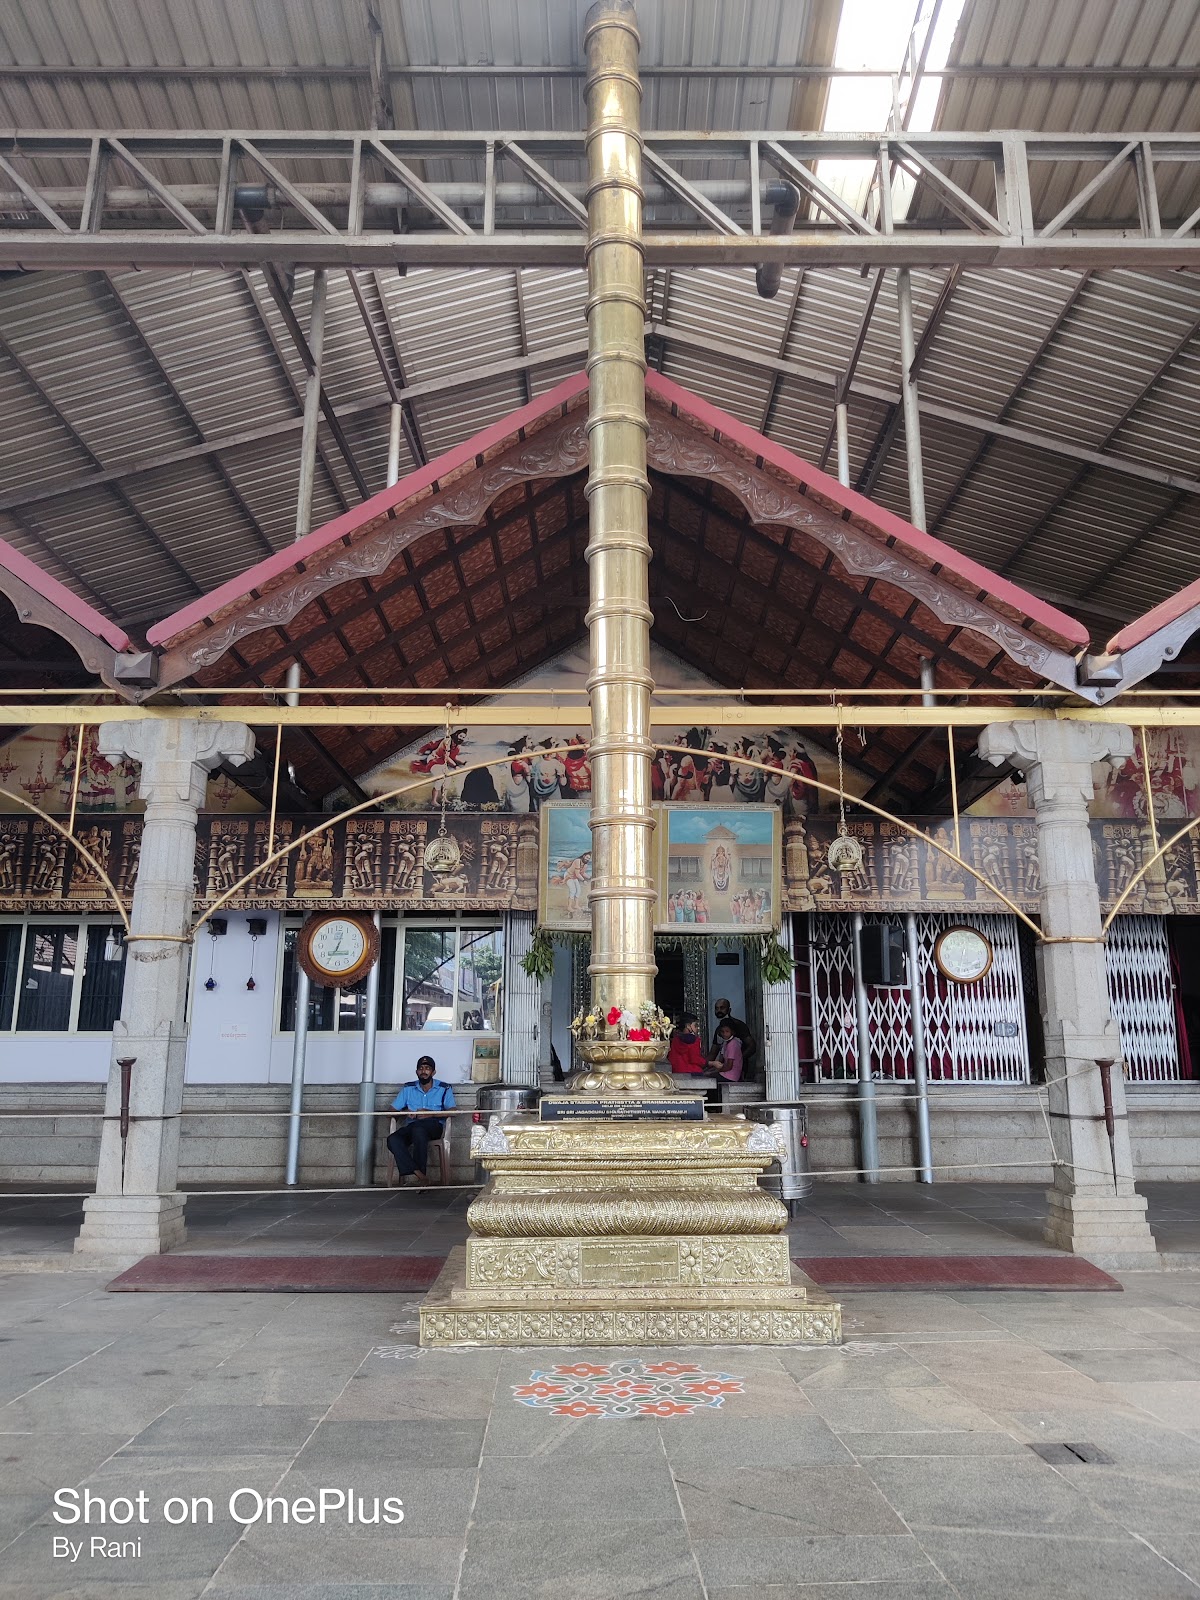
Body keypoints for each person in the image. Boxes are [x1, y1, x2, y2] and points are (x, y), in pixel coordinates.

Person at [387, 1055, 455, 1183]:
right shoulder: (408, 1088)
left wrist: (431, 1114)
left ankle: (420, 1178)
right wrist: (405, 1113)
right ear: (416, 1072)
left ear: (433, 1072)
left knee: (418, 1130)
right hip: (412, 1125)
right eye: (421, 1068)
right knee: (393, 1139)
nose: (424, 1071)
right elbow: (390, 1112)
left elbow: (454, 1111)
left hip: (433, 1126)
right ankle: (420, 1176)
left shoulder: (444, 1088)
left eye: (427, 1068)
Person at [709, 997, 756, 1072]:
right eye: (716, 1008)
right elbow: (713, 1053)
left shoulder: (738, 1025)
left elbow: (752, 1046)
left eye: (722, 1008)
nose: (719, 1011)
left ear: (729, 1010)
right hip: (724, 1068)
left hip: (739, 1069)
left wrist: (738, 1059)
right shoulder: (719, 1029)